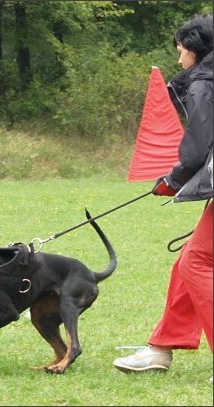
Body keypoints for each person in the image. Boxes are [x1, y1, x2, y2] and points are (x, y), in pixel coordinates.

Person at [112, 14, 213, 383]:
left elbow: (199, 145)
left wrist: (173, 179)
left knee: (197, 261)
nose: (179, 59)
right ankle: (162, 348)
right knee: (190, 259)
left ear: (195, 50)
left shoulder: (205, 80)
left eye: (180, 51)